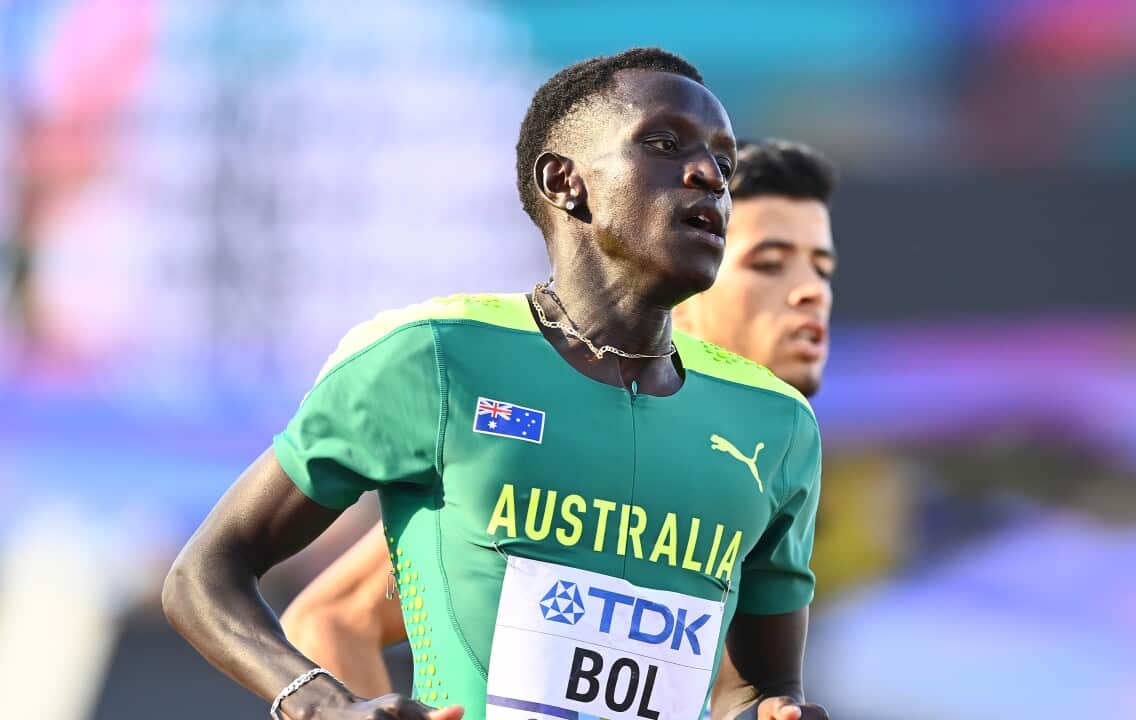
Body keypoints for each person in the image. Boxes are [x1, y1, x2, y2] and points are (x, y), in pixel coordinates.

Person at [163, 48, 828, 720]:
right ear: (565, 181)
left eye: (724, 161)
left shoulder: (774, 423)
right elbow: (204, 577)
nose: (709, 175)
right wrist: (322, 706)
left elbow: (761, 688)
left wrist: (777, 709)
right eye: (664, 143)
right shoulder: (434, 357)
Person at [281, 138, 839, 707]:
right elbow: (331, 620)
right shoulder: (561, 450)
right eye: (767, 263)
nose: (809, 291)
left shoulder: (776, 453)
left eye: (823, 267)